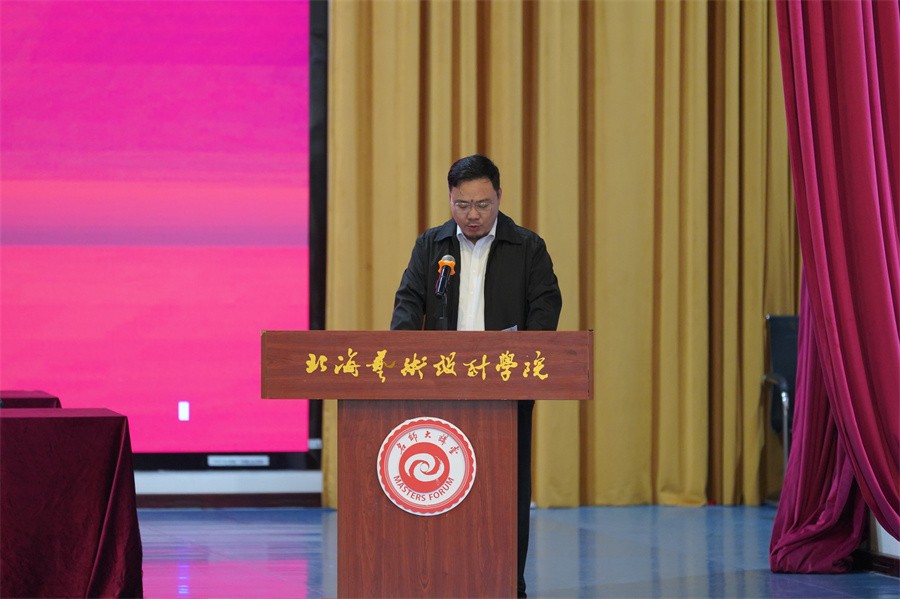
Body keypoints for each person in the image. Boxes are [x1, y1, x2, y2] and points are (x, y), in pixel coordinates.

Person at [391, 153, 563, 598]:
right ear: (450, 199)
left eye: (482, 204)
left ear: (499, 197)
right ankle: (443, 581)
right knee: (442, 486)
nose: (472, 215)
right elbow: (408, 304)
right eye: (462, 204)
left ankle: (508, 584)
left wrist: (524, 355)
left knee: (506, 491)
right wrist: (402, 357)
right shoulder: (431, 246)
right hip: (442, 389)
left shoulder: (527, 247)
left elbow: (546, 308)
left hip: (506, 389)